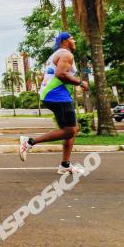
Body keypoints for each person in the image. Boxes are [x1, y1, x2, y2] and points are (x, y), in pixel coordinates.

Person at [18, 32, 89, 174]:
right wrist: (80, 82)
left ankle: (65, 165)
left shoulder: (58, 54)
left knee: (71, 130)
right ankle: (29, 142)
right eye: (72, 38)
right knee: (70, 130)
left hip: (54, 94)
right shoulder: (66, 55)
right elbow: (61, 74)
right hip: (57, 95)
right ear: (65, 41)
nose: (74, 41)